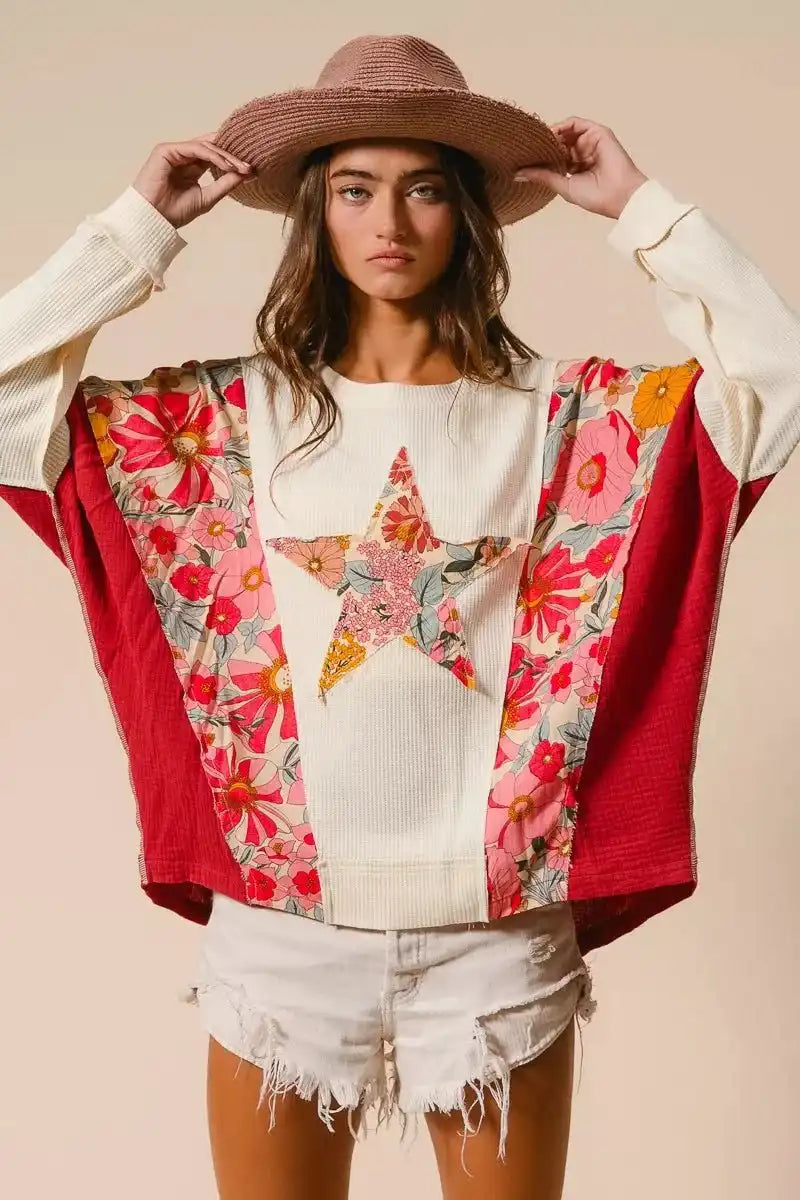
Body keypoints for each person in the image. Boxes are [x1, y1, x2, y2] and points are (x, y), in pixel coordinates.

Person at [1, 32, 799, 1200]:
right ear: (313, 214)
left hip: (497, 935)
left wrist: (642, 212)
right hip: (280, 930)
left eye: (423, 188)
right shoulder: (215, 427)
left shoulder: (574, 423)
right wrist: (136, 230)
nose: (388, 222)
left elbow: (776, 379)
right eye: (353, 189)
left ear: (465, 213)